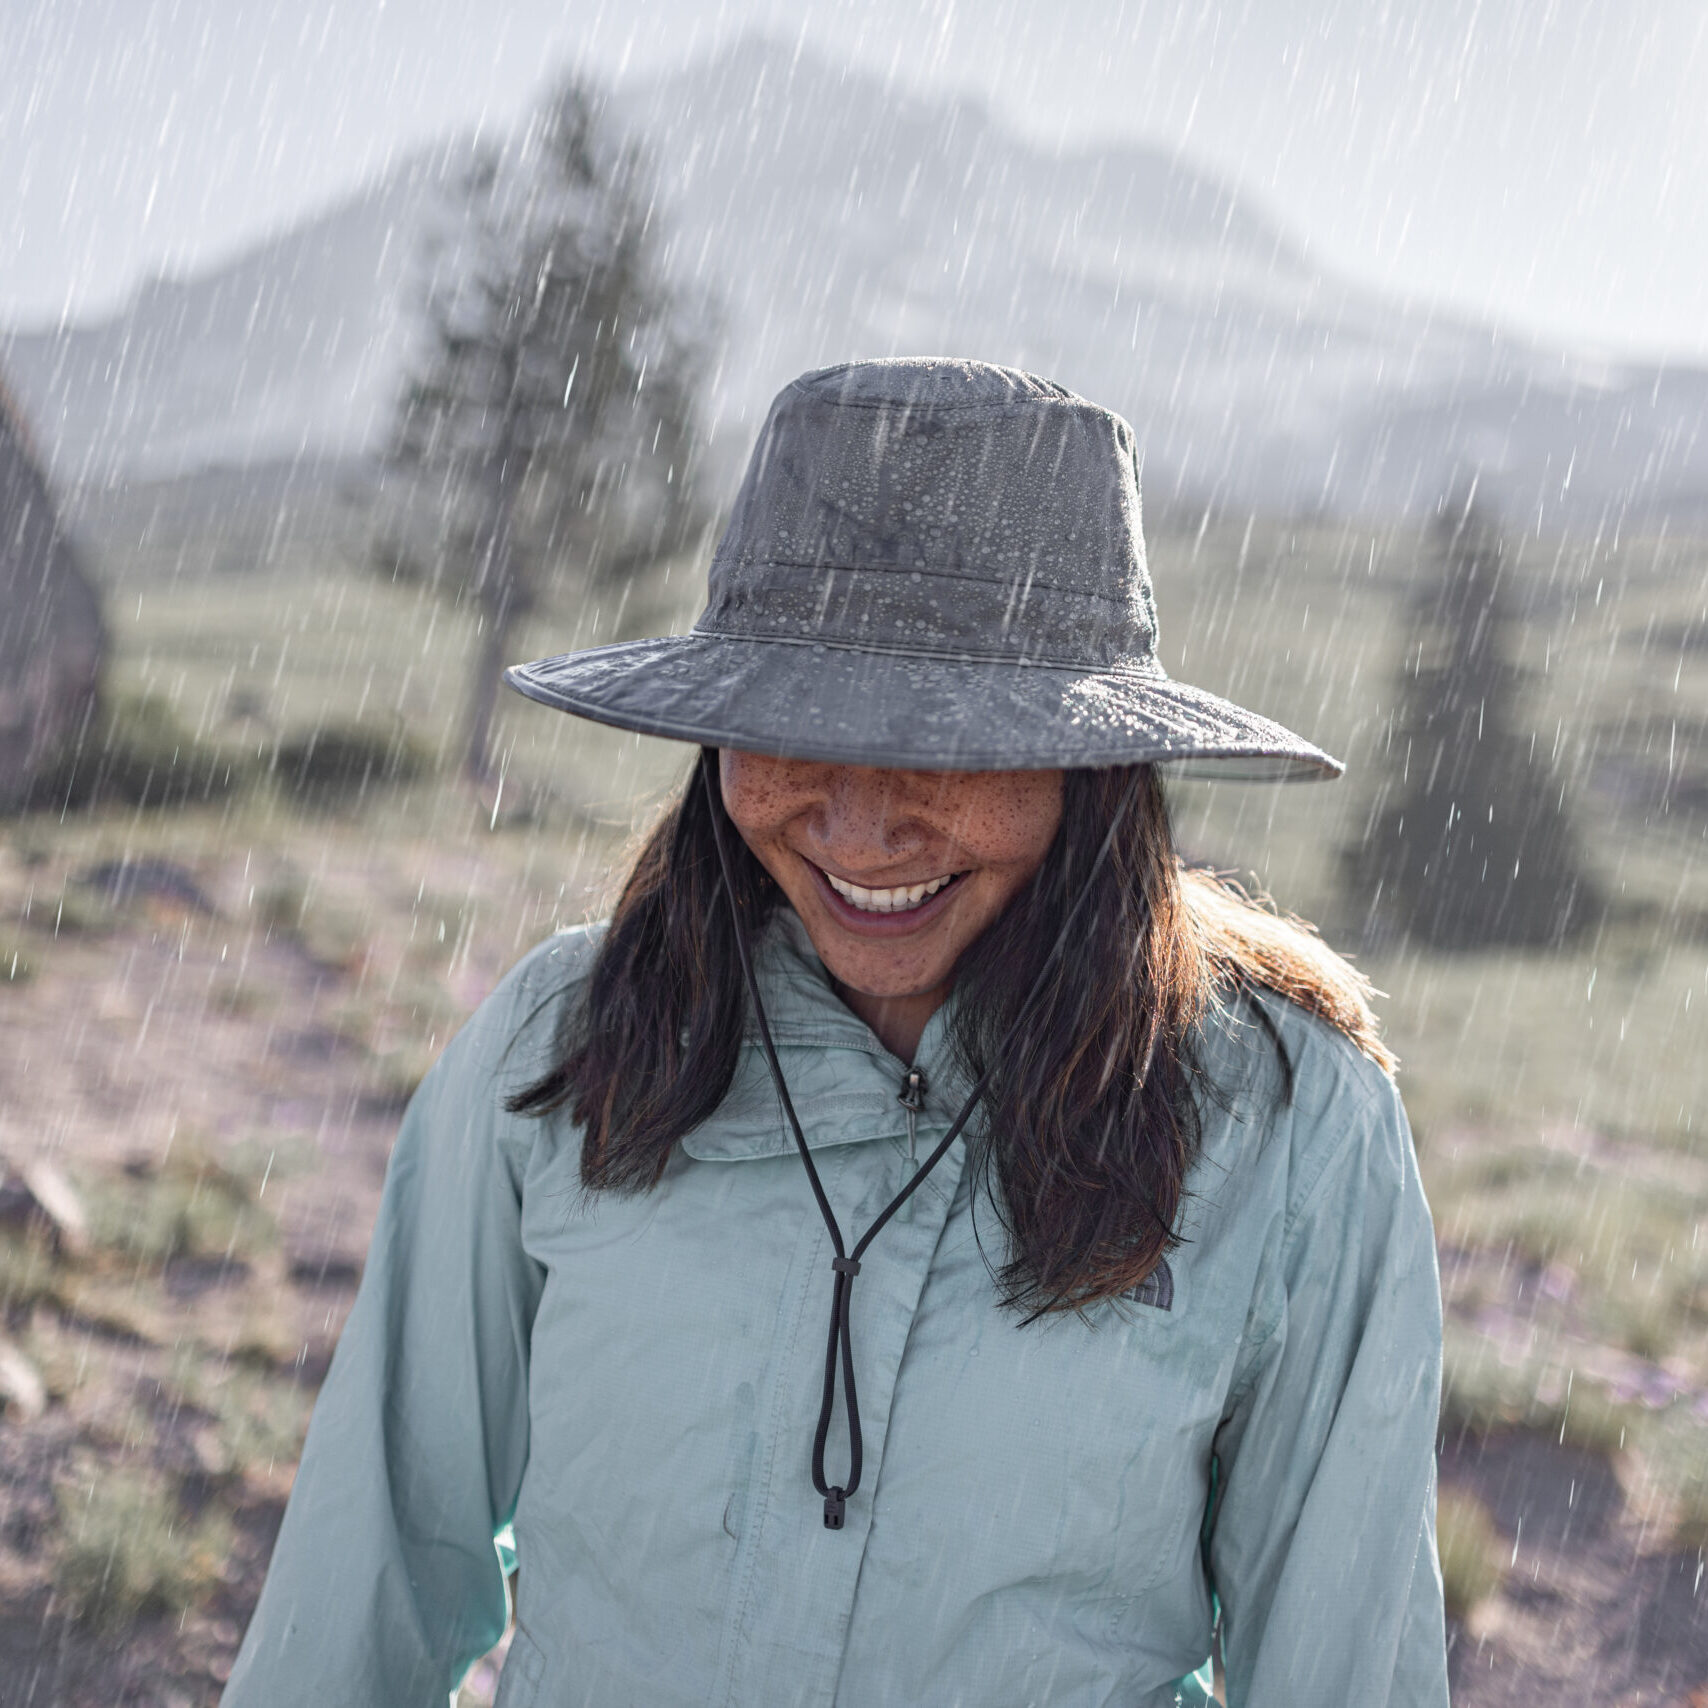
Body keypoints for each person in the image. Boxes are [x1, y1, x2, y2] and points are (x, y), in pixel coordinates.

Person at [223, 359, 1448, 1707]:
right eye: (794, 729)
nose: (860, 829)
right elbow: (362, 1590)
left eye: (951, 742)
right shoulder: (558, 1055)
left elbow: (1347, 1672)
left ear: (1094, 765)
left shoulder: (1289, 1133)